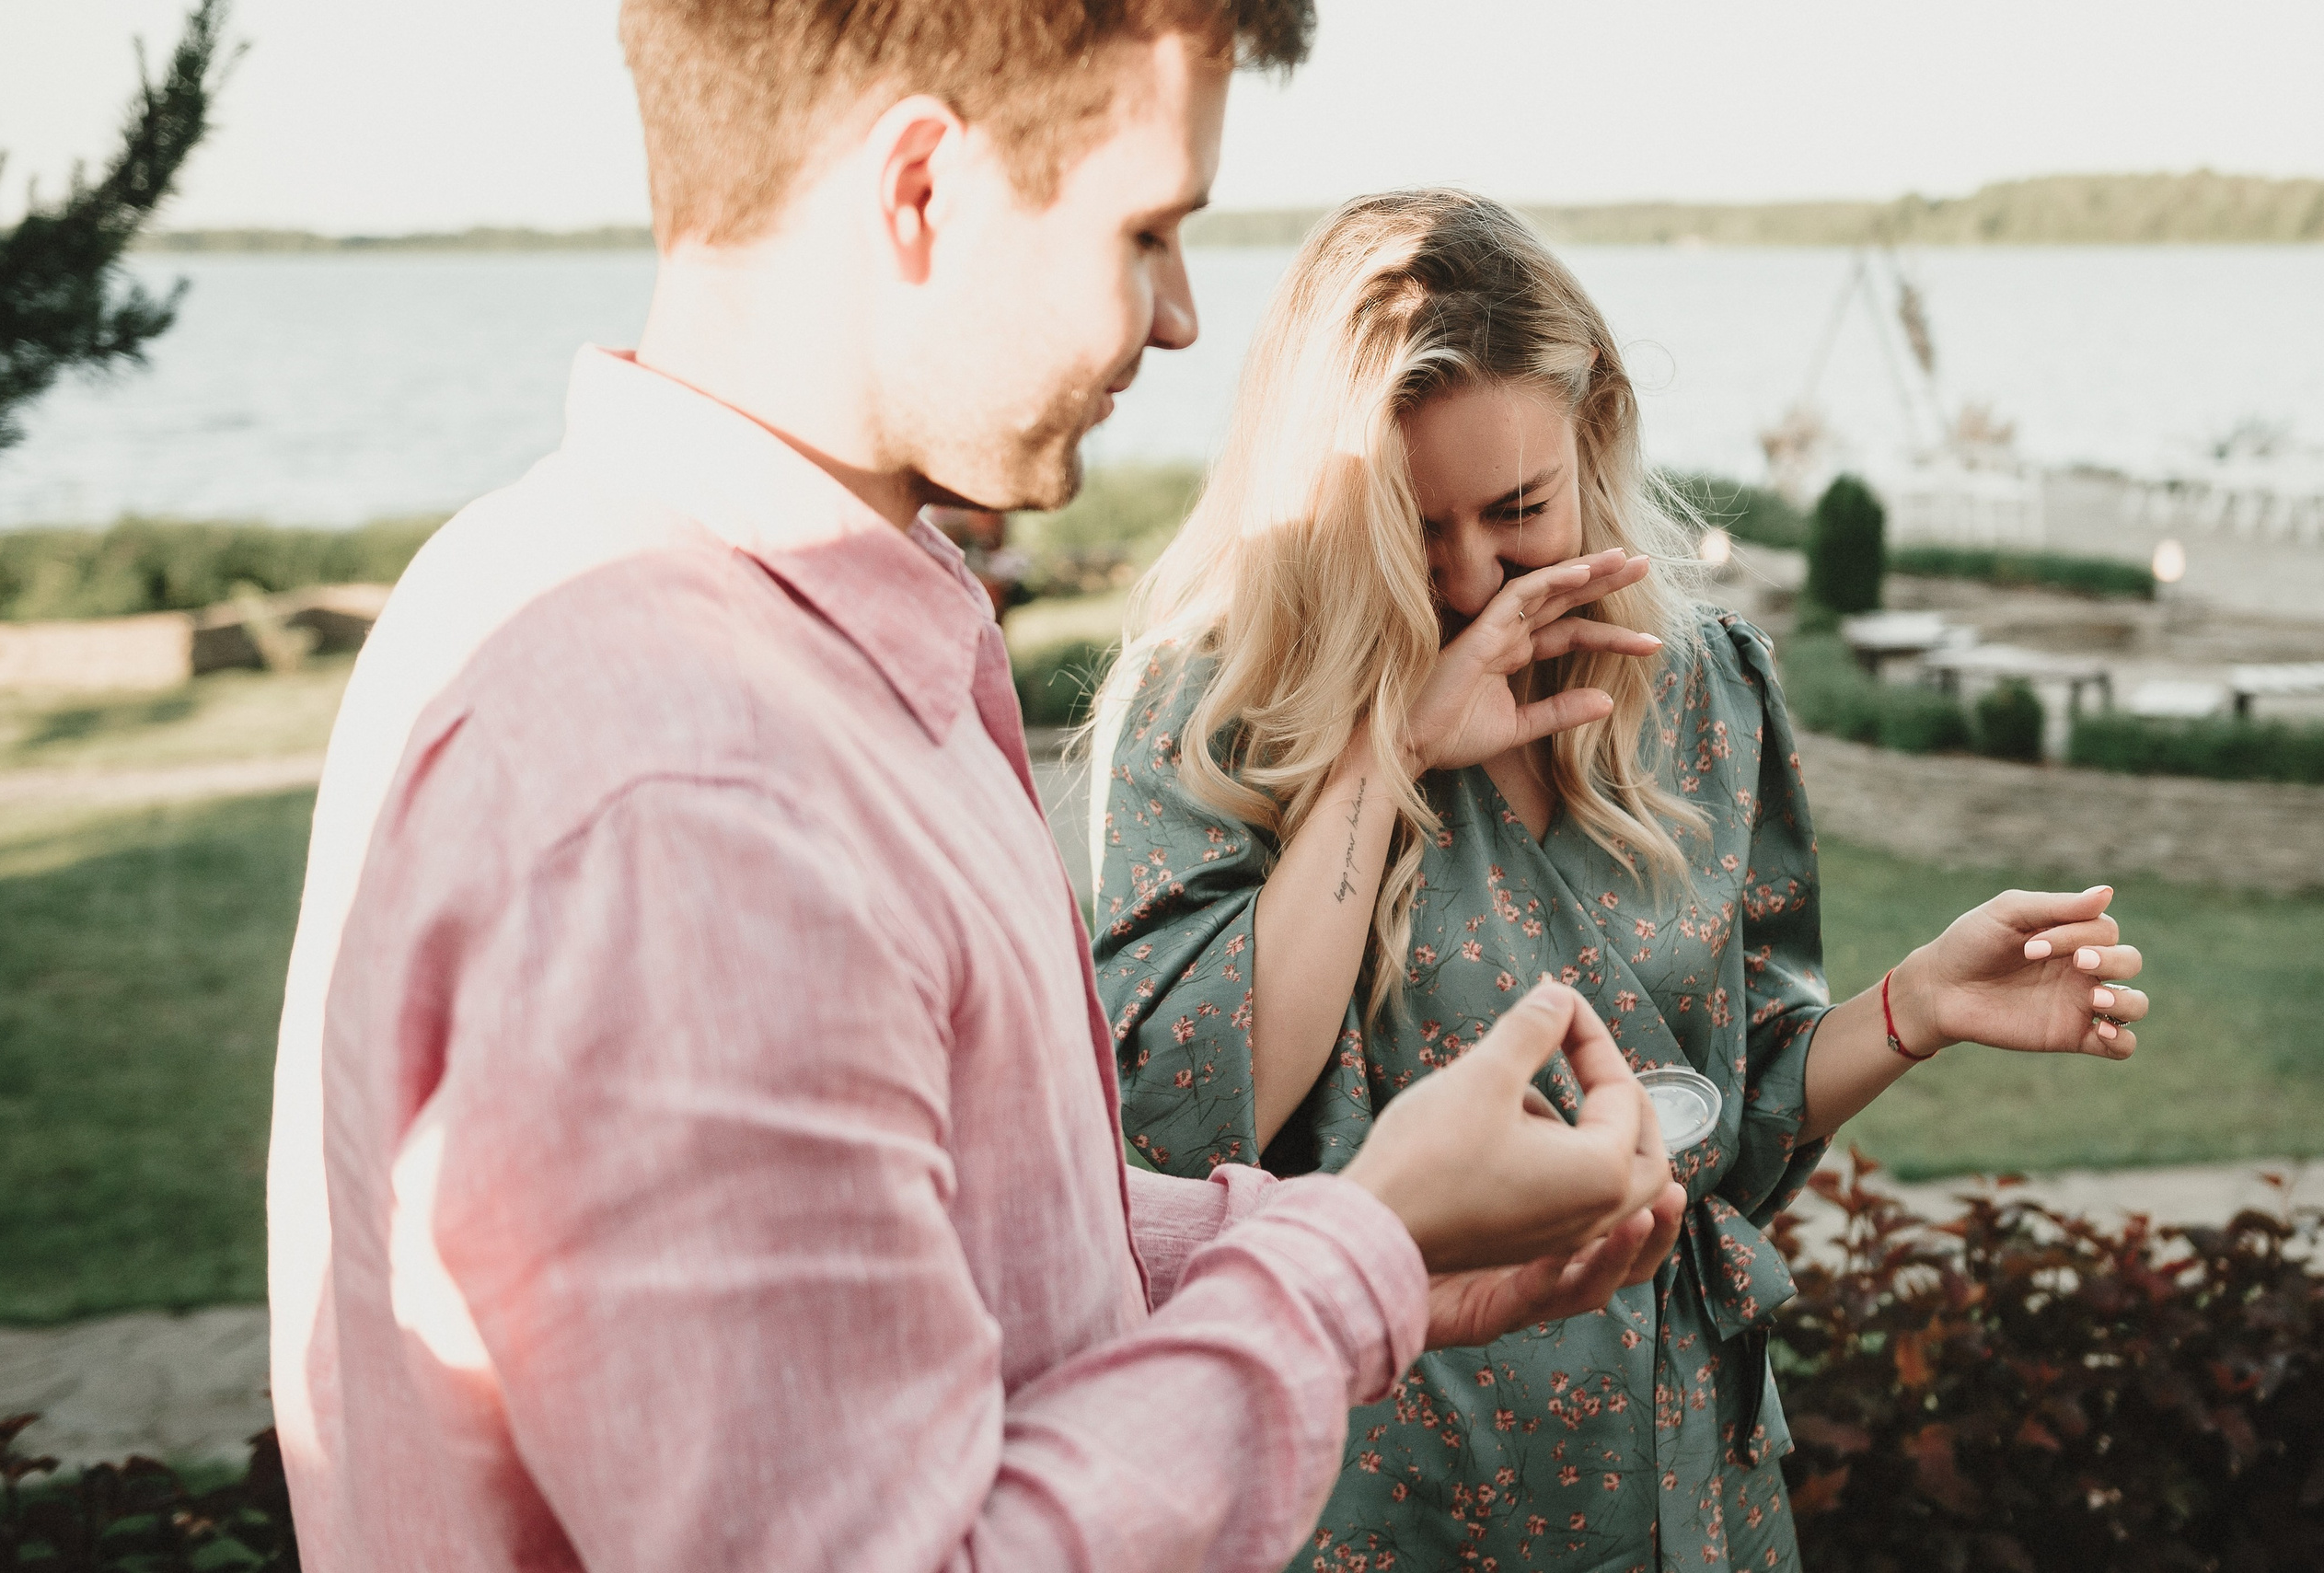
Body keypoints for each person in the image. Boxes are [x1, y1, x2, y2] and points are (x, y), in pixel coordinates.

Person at [264, 10, 1695, 1571]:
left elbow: (990, 1242)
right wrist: (1358, 1251)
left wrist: (1371, 1237)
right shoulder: (693, 801)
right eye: (1145, 231)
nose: (1180, 319)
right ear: (921, 189)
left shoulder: (582, 579)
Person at [1087, 189, 2149, 1572]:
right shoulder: (1215, 715)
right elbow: (1188, 1121)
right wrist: (1388, 757)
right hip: (1387, 1498)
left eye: (1518, 509)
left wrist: (1917, 1007)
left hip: (1688, 1484)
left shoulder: (1704, 688)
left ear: (1594, 431)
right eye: (1412, 527)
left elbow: (1729, 1131)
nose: (1472, 578)